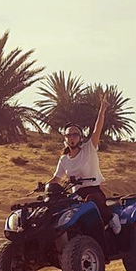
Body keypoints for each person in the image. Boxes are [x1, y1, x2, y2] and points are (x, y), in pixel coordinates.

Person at [49, 95, 121, 234]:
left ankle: (111, 217)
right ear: (65, 139)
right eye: (69, 135)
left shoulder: (89, 148)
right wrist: (45, 187)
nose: (72, 138)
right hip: (76, 195)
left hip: (93, 191)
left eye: (75, 135)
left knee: (91, 201)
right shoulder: (64, 159)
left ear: (80, 137)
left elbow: (97, 129)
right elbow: (57, 178)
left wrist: (102, 109)